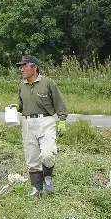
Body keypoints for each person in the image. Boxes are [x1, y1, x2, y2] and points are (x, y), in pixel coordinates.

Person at [16, 55, 68, 197]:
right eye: (21, 66)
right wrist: (16, 107)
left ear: (34, 67)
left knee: (47, 154)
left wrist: (62, 121)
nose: (22, 69)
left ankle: (48, 178)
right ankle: (36, 190)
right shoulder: (22, 85)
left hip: (46, 121)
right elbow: (22, 104)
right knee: (32, 158)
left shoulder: (48, 83)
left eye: (24, 66)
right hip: (27, 123)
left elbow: (59, 103)